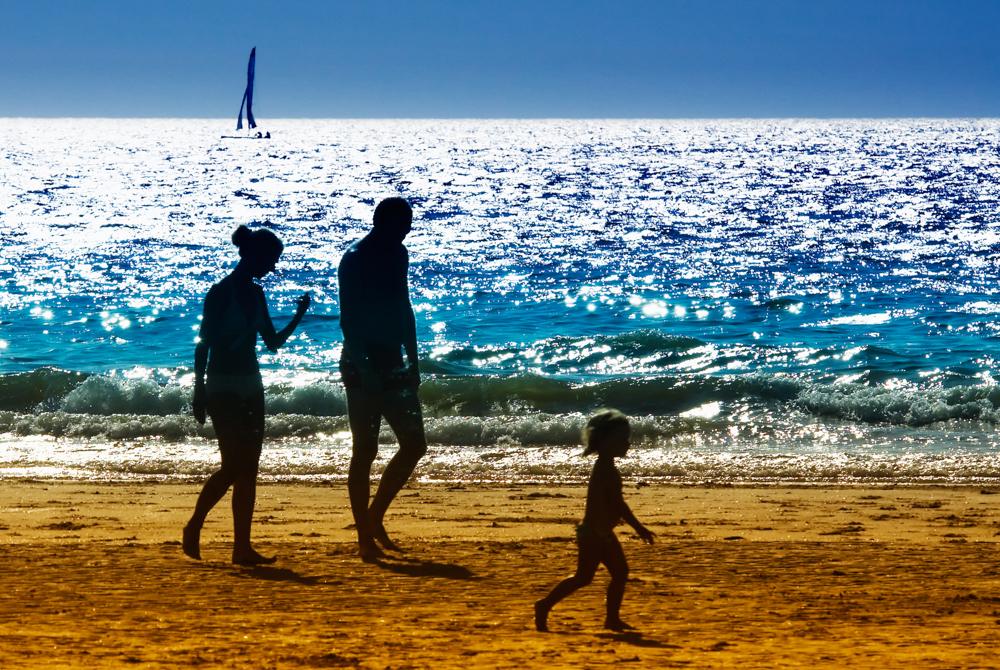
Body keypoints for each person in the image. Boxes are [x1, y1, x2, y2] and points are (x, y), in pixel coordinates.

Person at [184, 225, 310, 565]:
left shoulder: (256, 294)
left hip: (252, 386)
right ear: (252, 256)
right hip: (222, 385)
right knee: (232, 467)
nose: (272, 268)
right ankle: (195, 523)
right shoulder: (220, 292)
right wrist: (199, 390)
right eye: (270, 260)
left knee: (249, 469)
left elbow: (271, 342)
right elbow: (203, 344)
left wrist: (298, 316)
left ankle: (242, 548)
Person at [338, 197, 427, 562]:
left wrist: (414, 358)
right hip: (361, 364)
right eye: (403, 223)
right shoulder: (355, 258)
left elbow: (403, 306)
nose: (408, 229)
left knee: (414, 443)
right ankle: (364, 536)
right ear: (382, 222)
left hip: (393, 360)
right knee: (365, 450)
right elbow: (349, 319)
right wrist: (367, 368)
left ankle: (375, 517)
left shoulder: (398, 253)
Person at [534, 409, 655, 632]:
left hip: (600, 533)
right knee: (586, 577)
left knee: (614, 574)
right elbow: (619, 504)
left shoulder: (607, 467)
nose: (627, 444)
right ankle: (544, 605)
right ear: (605, 441)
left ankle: (611, 619)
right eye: (621, 439)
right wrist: (639, 528)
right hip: (594, 535)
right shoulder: (606, 470)